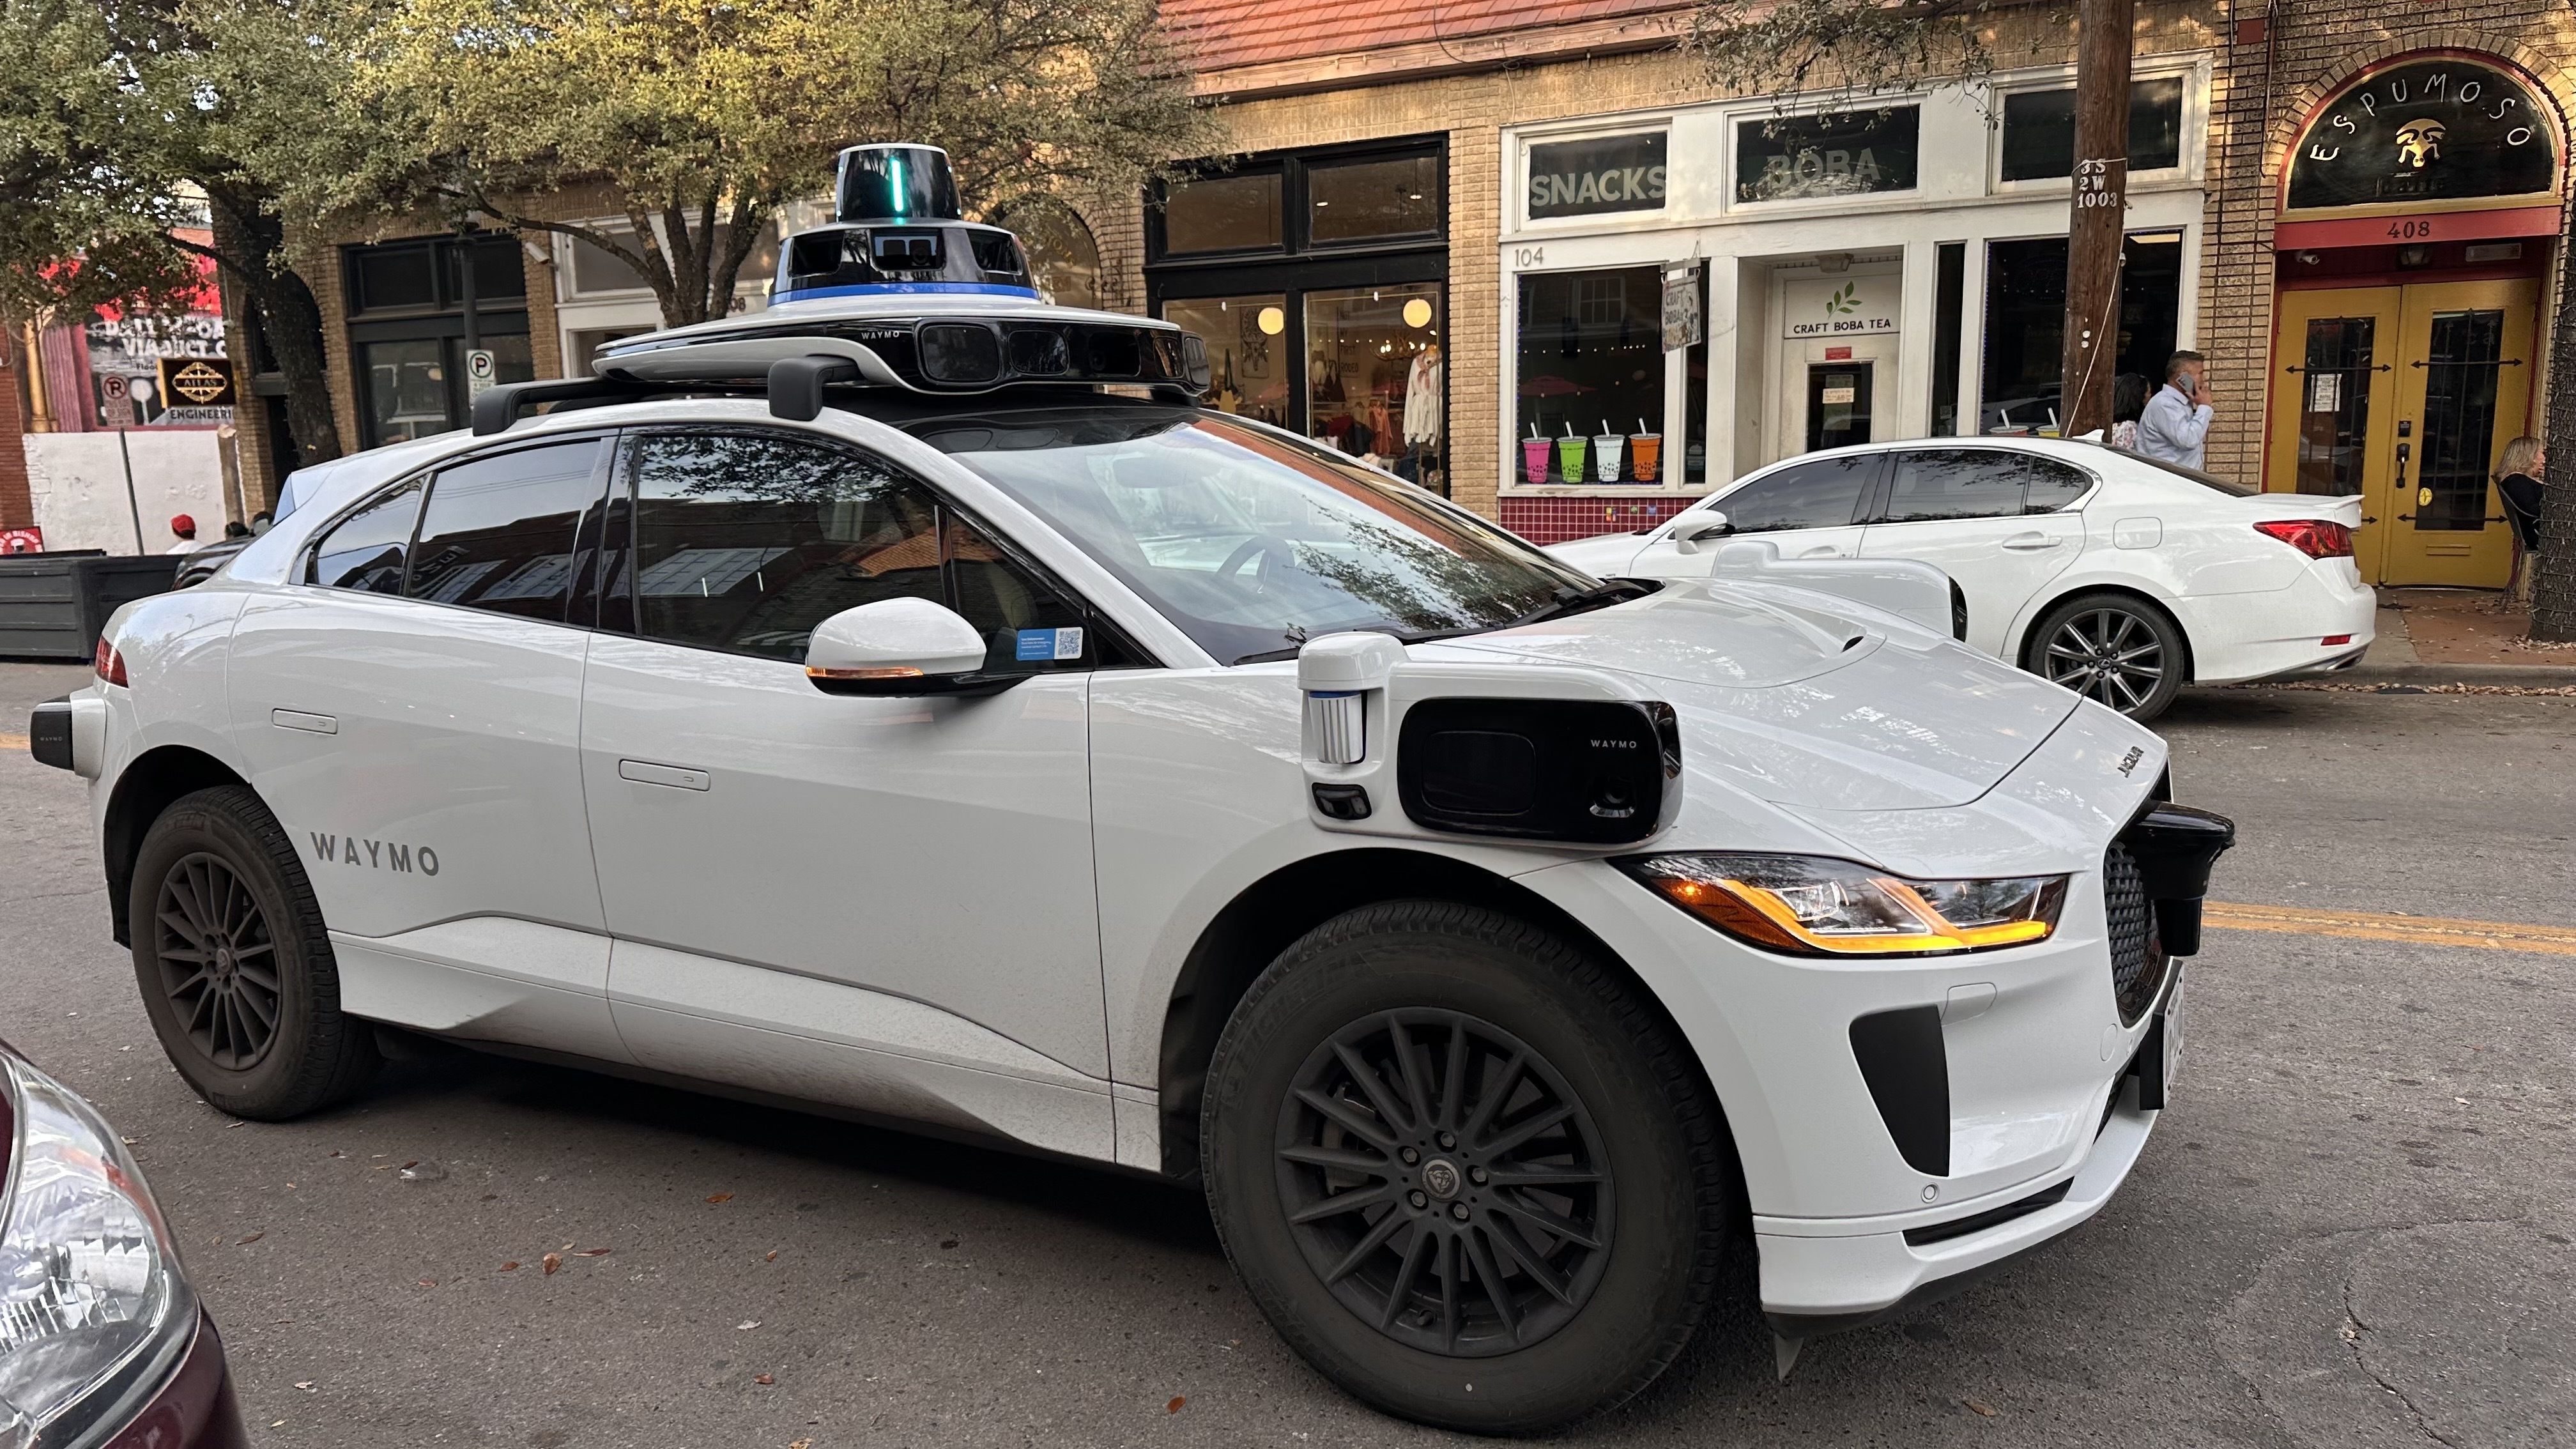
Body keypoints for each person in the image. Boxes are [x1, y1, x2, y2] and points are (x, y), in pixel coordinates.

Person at [2136, 350, 2214, 470]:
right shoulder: (2164, 404)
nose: (2203, 380)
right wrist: (2204, 407)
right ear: (2183, 377)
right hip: (2167, 482)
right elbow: (2188, 440)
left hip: (2180, 480)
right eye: (2200, 374)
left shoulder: (2180, 404)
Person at [2495, 435, 2547, 611]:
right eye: (2541, 453)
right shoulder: (2516, 481)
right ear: (2528, 455)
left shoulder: (2518, 480)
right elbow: (2533, 510)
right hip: (2539, 534)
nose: (2544, 459)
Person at [2108, 372, 2150, 452]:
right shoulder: (2129, 428)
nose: (2150, 396)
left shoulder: (2113, 423)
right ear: (2140, 397)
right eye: (2148, 393)